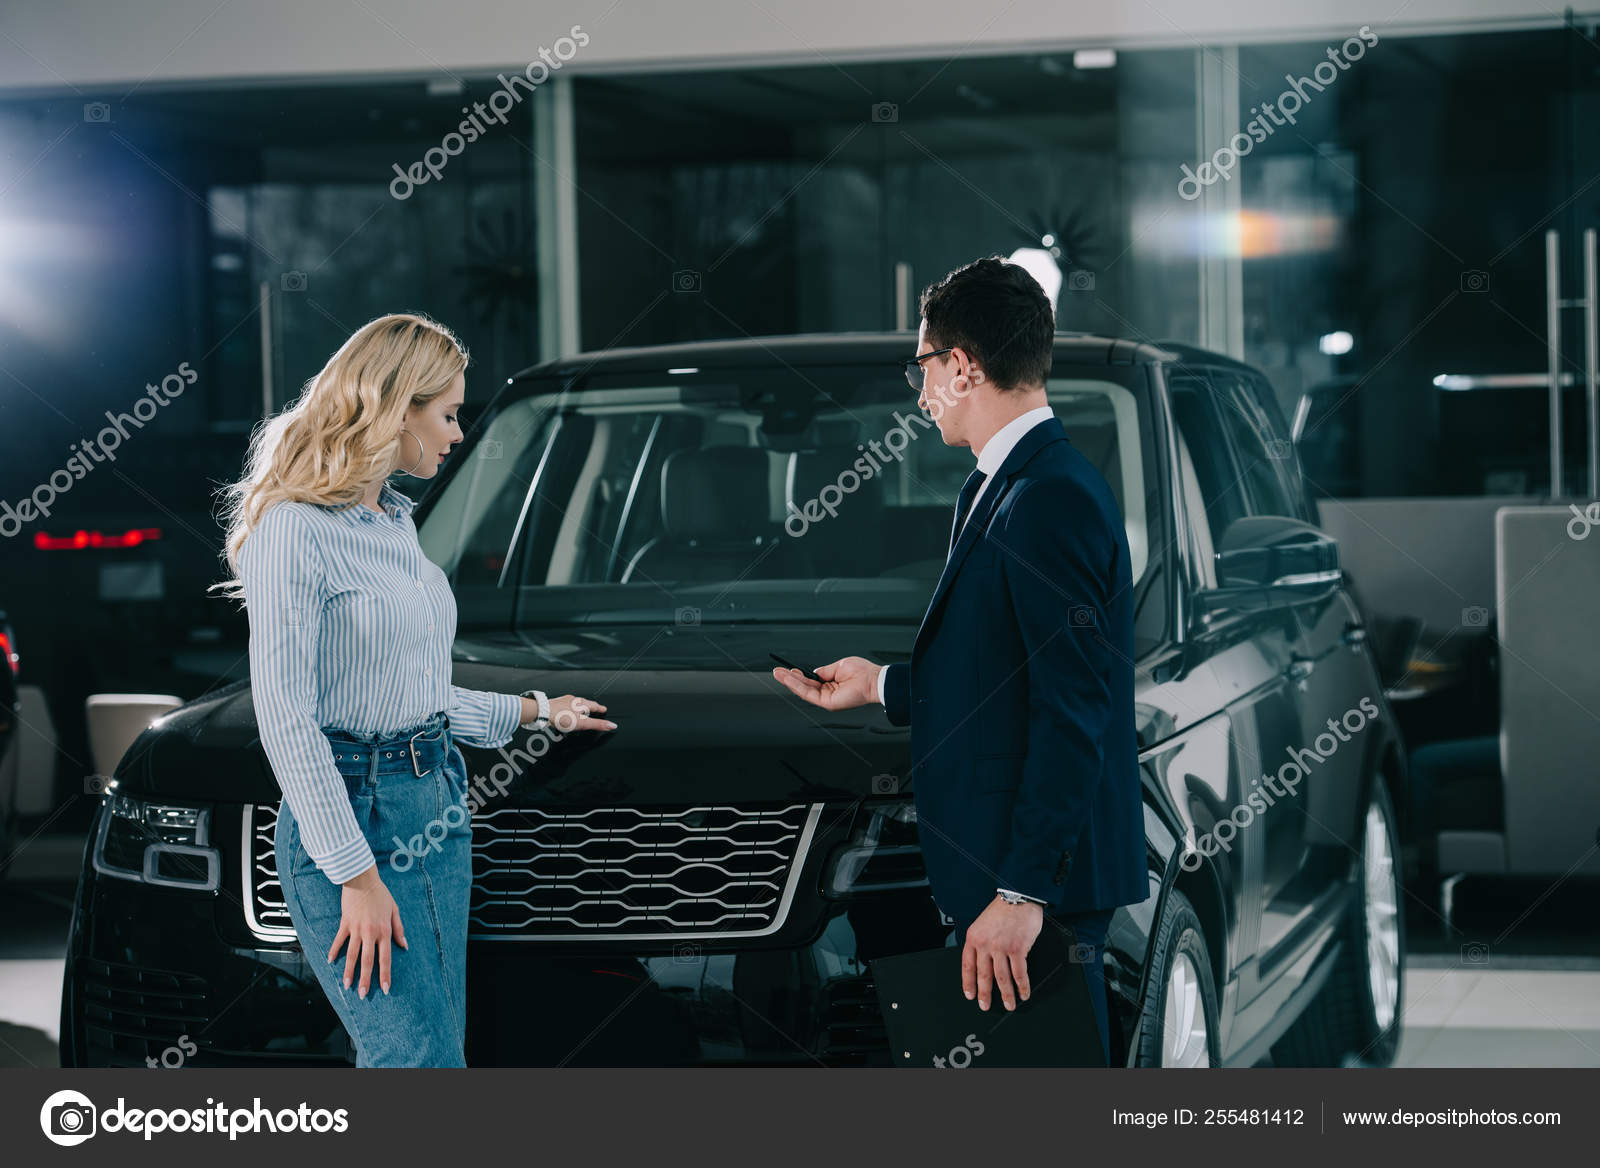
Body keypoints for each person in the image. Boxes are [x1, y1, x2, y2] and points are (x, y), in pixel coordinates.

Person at [212, 312, 617, 1066]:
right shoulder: (293, 530)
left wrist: (536, 710)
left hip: (434, 802)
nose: (458, 433)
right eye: (449, 413)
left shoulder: (393, 523)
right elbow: (286, 717)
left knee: (440, 1056)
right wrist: (356, 877)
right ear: (396, 407)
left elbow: (413, 695)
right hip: (352, 823)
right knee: (414, 1062)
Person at [773, 258, 1148, 1063]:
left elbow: (1072, 712)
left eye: (923, 365)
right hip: (1001, 880)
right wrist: (880, 685)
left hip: (1032, 895)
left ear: (962, 366)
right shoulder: (1005, 483)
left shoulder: (1049, 497)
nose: (918, 390)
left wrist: (1022, 893)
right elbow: (1008, 675)